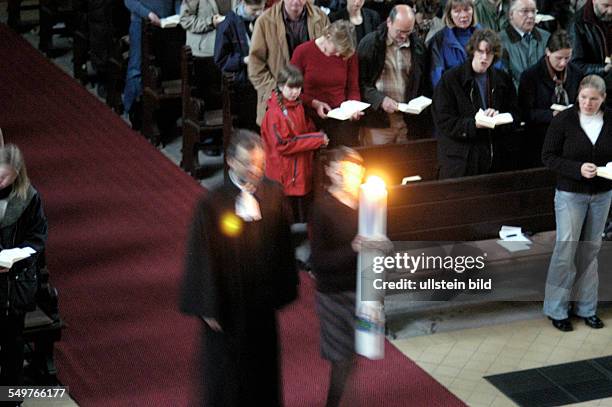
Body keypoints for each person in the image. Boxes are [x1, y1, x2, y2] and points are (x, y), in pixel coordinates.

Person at [179, 129, 298, 406]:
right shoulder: (212, 204)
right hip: (227, 307)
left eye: (259, 163)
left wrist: (284, 288)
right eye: (248, 163)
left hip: (261, 303)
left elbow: (283, 245)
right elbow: (201, 256)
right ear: (231, 161)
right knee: (228, 379)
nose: (255, 170)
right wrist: (207, 306)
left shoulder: (273, 195)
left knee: (262, 374)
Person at [309, 146, 389, 407]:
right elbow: (319, 263)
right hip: (334, 295)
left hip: (364, 292)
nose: (351, 178)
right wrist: (353, 248)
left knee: (362, 350)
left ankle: (349, 401)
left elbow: (381, 237)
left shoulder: (370, 203)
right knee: (341, 358)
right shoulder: (322, 209)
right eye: (344, 171)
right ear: (331, 172)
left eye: (356, 172)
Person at [542, 75, 612, 332]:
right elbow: (548, 157)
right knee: (566, 249)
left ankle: (586, 308)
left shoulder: (610, 119)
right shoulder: (564, 120)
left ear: (603, 99)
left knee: (591, 249)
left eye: (594, 99)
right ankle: (557, 309)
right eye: (583, 98)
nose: (588, 104)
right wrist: (577, 168)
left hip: (602, 193)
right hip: (571, 193)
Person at [432, 28, 519, 178]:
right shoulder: (451, 79)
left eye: (489, 53)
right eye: (480, 51)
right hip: (461, 161)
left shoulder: (502, 79)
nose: (484, 57)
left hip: (495, 159)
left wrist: (500, 117)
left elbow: (516, 113)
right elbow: (443, 120)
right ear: (473, 51)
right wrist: (474, 124)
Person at [0, 143, 48, 398]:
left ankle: (9, 397)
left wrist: (15, 258)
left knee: (12, 344)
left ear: (17, 174)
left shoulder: (29, 198)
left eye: (4, 176)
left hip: (15, 283)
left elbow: (37, 237)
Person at [261, 65, 329, 222]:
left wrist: (318, 134)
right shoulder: (274, 113)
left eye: (298, 87)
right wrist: (317, 139)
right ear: (280, 86)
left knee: (299, 211)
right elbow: (284, 144)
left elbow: (305, 128)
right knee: (286, 213)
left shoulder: (297, 105)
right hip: (284, 171)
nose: (295, 92)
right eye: (290, 87)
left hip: (297, 168)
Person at [248, 0, 329, 126]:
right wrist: (278, 90)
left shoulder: (321, 18)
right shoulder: (264, 21)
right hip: (277, 101)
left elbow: (328, 57)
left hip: (313, 101)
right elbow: (255, 65)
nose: (296, 1)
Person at [358, 5, 429, 145]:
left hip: (406, 120)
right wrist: (380, 100)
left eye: (408, 32)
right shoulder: (371, 44)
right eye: (399, 31)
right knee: (379, 163)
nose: (403, 36)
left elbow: (423, 82)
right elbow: (360, 82)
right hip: (379, 121)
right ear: (389, 22)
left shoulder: (418, 47)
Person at [291, 20, 362, 147]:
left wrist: (354, 107)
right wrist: (314, 103)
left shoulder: (347, 54)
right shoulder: (303, 52)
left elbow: (353, 87)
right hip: (309, 118)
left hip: (341, 120)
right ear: (328, 36)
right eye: (336, 50)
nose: (339, 55)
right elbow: (290, 90)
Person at [518, 30, 583, 168]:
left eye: (567, 58)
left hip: (569, 138)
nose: (563, 63)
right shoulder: (531, 76)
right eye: (559, 58)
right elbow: (525, 112)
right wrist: (551, 115)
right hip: (540, 138)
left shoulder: (576, 73)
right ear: (548, 52)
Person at [123, 0, 179, 126]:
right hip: (141, 23)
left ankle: (157, 114)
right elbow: (129, 1)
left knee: (163, 69)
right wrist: (148, 14)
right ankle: (132, 108)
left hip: (166, 26)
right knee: (137, 67)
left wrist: (179, 14)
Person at [213, 0, 266, 129]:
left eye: (261, 9)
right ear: (243, 4)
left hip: (261, 79)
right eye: (254, 10)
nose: (258, 13)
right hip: (242, 82)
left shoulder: (263, 20)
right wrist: (243, 60)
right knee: (248, 123)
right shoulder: (228, 24)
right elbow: (221, 60)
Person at [499, 0, 551, 90]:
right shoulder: (500, 41)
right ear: (511, 14)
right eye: (524, 11)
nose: (530, 16)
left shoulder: (546, 38)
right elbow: (504, 79)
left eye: (533, 11)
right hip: (516, 99)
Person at [430, 0, 482, 88]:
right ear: (449, 14)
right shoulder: (439, 40)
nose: (463, 15)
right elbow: (437, 78)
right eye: (457, 11)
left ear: (473, 11)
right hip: (452, 96)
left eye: (466, 9)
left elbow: (496, 69)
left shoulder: (484, 36)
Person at [570, 0, 612, 107]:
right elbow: (575, 65)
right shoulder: (578, 23)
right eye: (606, 5)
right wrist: (604, 69)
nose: (611, 11)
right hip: (595, 89)